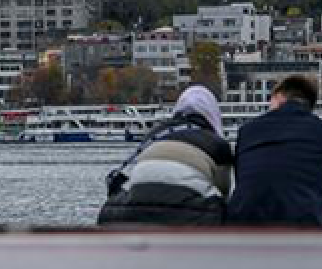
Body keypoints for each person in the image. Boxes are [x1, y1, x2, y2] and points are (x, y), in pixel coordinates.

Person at [226, 76, 322, 229]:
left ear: (278, 97)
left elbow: (246, 183)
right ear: (309, 106)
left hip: (245, 226)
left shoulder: (247, 132)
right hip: (306, 228)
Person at [98, 85, 233, 226]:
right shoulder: (217, 143)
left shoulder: (154, 134)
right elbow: (224, 190)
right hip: (190, 213)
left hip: (132, 208)